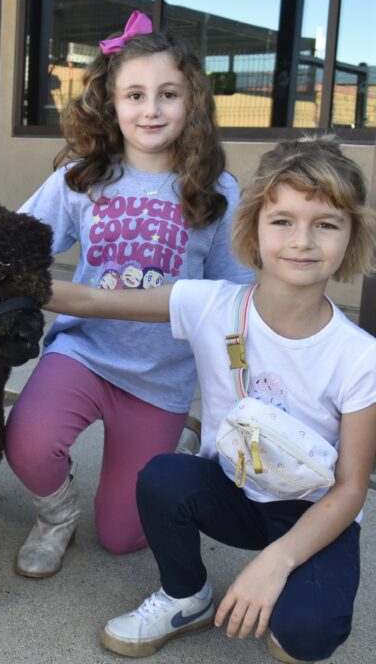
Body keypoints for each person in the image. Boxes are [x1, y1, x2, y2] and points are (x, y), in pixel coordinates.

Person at [45, 136, 376, 662]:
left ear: (350, 236)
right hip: (234, 487)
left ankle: (291, 578)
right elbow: (93, 297)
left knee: (305, 639)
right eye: (283, 220)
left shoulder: (360, 356)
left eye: (326, 224)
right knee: (162, 476)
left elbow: (352, 488)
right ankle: (186, 596)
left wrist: (279, 560)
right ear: (254, 229)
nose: (302, 240)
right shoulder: (211, 305)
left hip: (310, 510)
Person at [5, 10, 253, 578]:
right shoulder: (81, 178)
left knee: (121, 536)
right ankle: (56, 516)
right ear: (110, 103)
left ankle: (173, 442)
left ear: (191, 101)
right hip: (85, 352)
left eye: (168, 94)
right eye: (135, 94)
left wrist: (232, 386)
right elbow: (19, 241)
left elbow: (232, 297)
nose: (151, 109)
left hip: (160, 377)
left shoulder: (216, 189)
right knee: (27, 440)